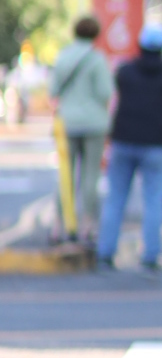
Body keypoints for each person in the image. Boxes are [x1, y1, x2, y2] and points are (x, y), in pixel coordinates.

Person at [97, 22, 162, 272]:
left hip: (123, 140)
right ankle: (150, 257)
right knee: (153, 201)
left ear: (140, 45)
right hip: (157, 144)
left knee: (115, 198)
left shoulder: (125, 72)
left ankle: (105, 254)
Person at [50, 15, 113, 243]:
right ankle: (87, 226)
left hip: (67, 123)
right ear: (96, 34)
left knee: (65, 175)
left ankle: (58, 225)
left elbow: (53, 91)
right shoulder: (97, 59)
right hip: (94, 124)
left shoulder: (63, 56)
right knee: (90, 176)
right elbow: (105, 93)